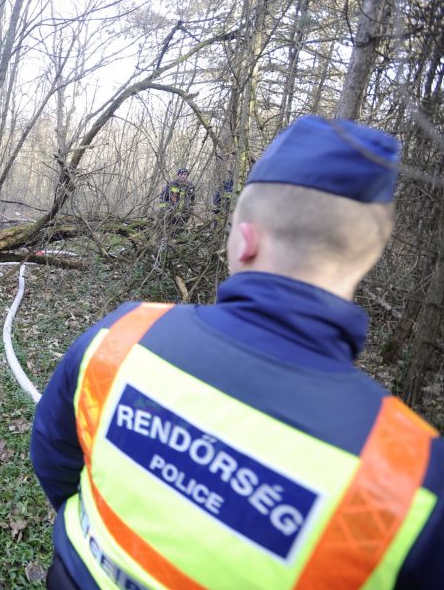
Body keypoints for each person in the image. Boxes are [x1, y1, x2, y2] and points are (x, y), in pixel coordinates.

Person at [31, 115, 443, 589]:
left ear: (244, 238)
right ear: (365, 259)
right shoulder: (414, 479)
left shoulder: (121, 339)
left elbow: (54, 459)